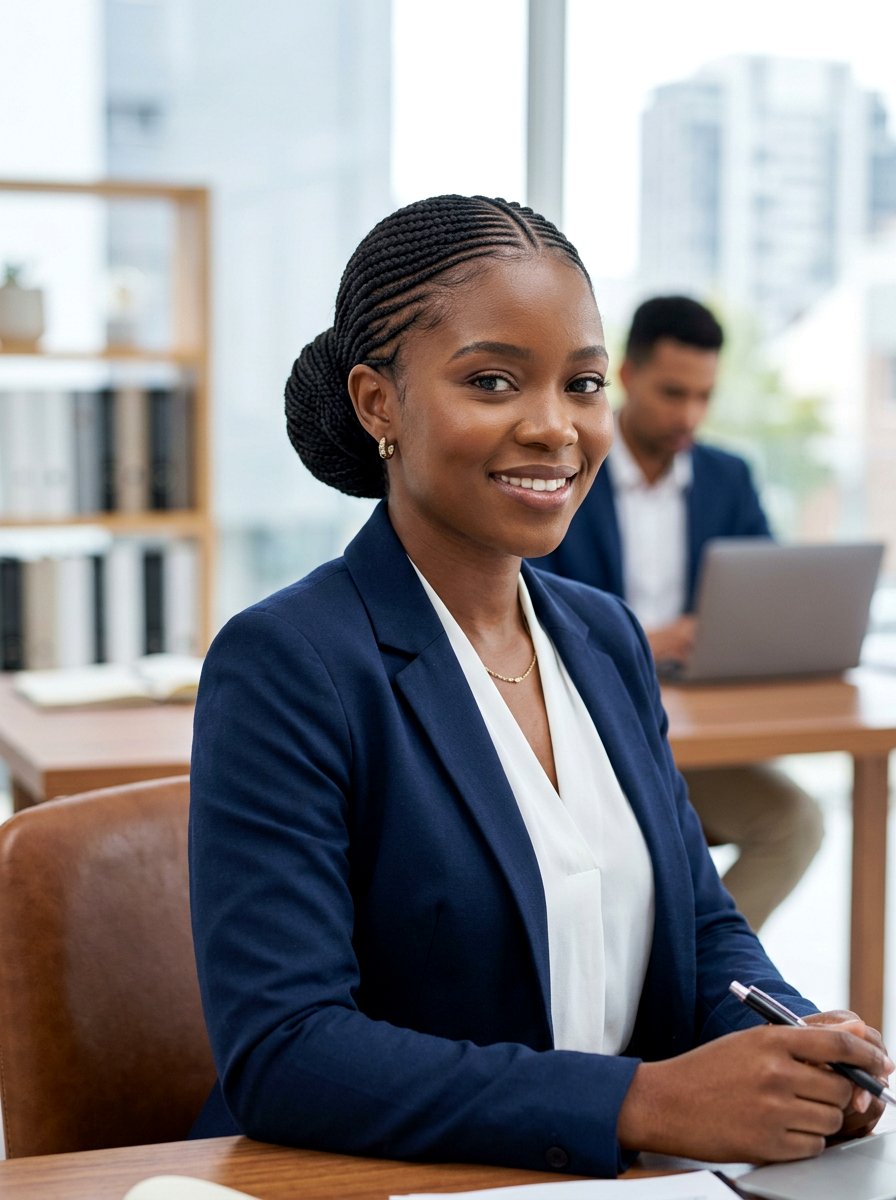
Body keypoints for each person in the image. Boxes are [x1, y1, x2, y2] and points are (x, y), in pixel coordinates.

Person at [188, 196, 889, 1178]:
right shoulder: (287, 663)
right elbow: (285, 1051)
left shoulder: (604, 638)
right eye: (491, 381)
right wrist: (641, 1101)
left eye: (583, 384)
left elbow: (699, 924)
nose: (556, 428)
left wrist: (791, 1046)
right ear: (378, 403)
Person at [531, 296, 824, 932]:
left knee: (795, 822)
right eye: (672, 393)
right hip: (589, 732)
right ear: (626, 377)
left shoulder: (727, 478)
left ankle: (693, 966)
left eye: (703, 396)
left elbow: (766, 597)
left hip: (693, 728)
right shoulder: (561, 471)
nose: (689, 415)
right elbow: (526, 606)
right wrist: (646, 639)